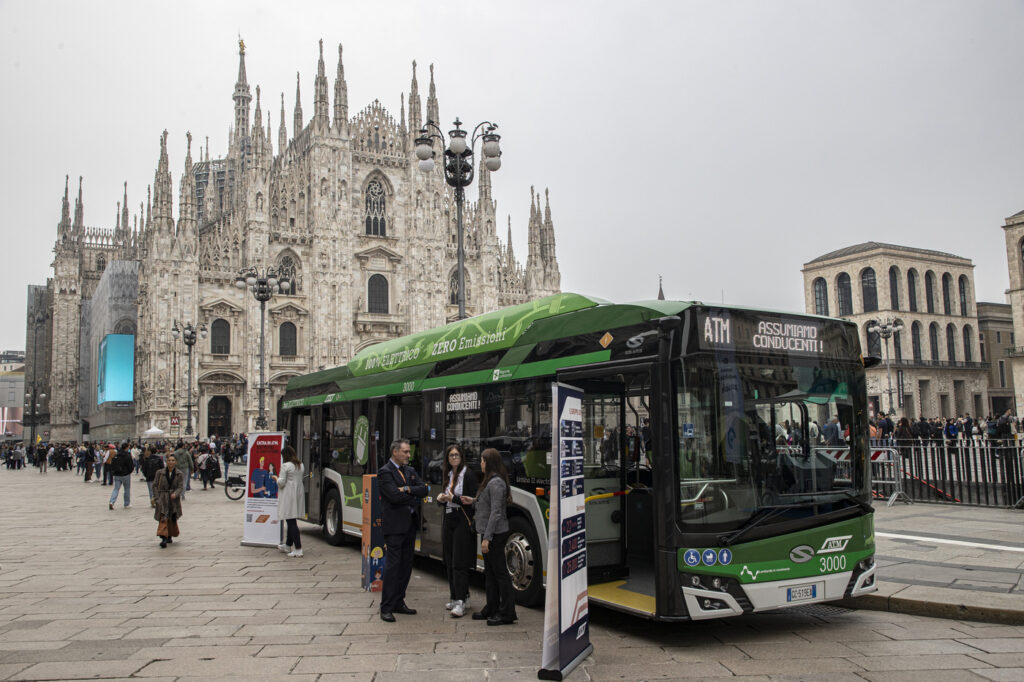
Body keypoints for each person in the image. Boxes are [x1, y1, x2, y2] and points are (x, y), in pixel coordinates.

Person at [464, 448, 517, 626]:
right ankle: (492, 608)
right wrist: (471, 500)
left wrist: (487, 538)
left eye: (482, 460)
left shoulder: (496, 483)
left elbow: (496, 513)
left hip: (495, 534)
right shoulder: (491, 481)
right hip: (490, 533)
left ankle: (508, 612)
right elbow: (487, 504)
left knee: (500, 573)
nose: (480, 463)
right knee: (491, 574)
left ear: (489, 462)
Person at [377, 438, 427, 622]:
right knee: (393, 566)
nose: (408, 455)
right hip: (394, 526)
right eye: (405, 452)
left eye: (408, 452)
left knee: (406, 565)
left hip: (410, 524)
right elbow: (393, 496)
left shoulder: (410, 470)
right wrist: (411, 495)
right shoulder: (385, 472)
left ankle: (399, 601)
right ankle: (386, 606)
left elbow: (424, 490)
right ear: (395, 452)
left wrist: (406, 489)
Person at [436, 444, 478, 618]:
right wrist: (442, 499)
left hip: (462, 519)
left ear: (462, 457)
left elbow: (473, 500)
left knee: (459, 561)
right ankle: (457, 596)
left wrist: (453, 498)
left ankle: (461, 601)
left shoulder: (468, 475)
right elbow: (446, 497)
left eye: (456, 455)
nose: (453, 458)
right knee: (449, 558)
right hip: (449, 518)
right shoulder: (448, 474)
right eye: (451, 455)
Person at [273, 445, 306, 557]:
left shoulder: (285, 466)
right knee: (291, 519)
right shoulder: (300, 465)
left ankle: (298, 548)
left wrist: (276, 479)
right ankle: (287, 545)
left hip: (288, 495)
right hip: (297, 494)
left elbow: (281, 483)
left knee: (291, 522)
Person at [153, 453, 184, 548]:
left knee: (172, 517)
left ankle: (169, 534)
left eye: (173, 460)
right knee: (163, 516)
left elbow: (180, 486)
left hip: (173, 499)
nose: (171, 462)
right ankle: (163, 537)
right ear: (166, 461)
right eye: (169, 460)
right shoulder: (160, 472)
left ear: (176, 462)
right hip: (162, 497)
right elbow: (154, 485)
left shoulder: (179, 473)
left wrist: (176, 493)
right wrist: (157, 498)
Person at [108, 444, 134, 510]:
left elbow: (113, 464)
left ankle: (111, 502)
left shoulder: (117, 454)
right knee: (127, 489)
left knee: (116, 489)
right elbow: (131, 465)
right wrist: (129, 472)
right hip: (125, 474)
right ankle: (126, 503)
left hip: (117, 474)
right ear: (127, 447)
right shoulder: (127, 455)